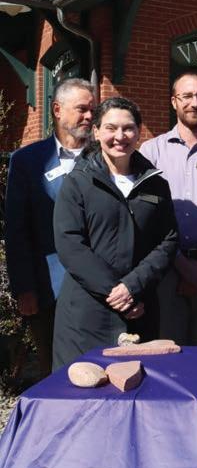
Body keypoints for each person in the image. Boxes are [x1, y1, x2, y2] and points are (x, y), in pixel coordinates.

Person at [52, 97, 178, 369]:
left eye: (128, 128)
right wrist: (115, 292)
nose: (120, 136)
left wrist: (133, 287)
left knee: (138, 387)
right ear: (96, 132)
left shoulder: (156, 185)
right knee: (83, 389)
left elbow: (167, 241)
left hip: (140, 308)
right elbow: (70, 243)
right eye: (111, 128)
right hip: (87, 314)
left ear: (139, 132)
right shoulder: (78, 182)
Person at [4, 78, 94, 378]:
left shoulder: (105, 158)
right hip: (48, 290)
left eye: (92, 110)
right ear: (57, 109)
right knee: (54, 375)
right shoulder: (27, 161)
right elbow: (17, 230)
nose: (89, 117)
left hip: (100, 291)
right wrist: (24, 288)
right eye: (81, 109)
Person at [140, 72, 197, 346]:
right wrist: (180, 262)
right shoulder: (151, 152)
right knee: (166, 354)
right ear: (173, 101)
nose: (195, 103)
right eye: (187, 96)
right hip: (166, 273)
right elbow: (145, 214)